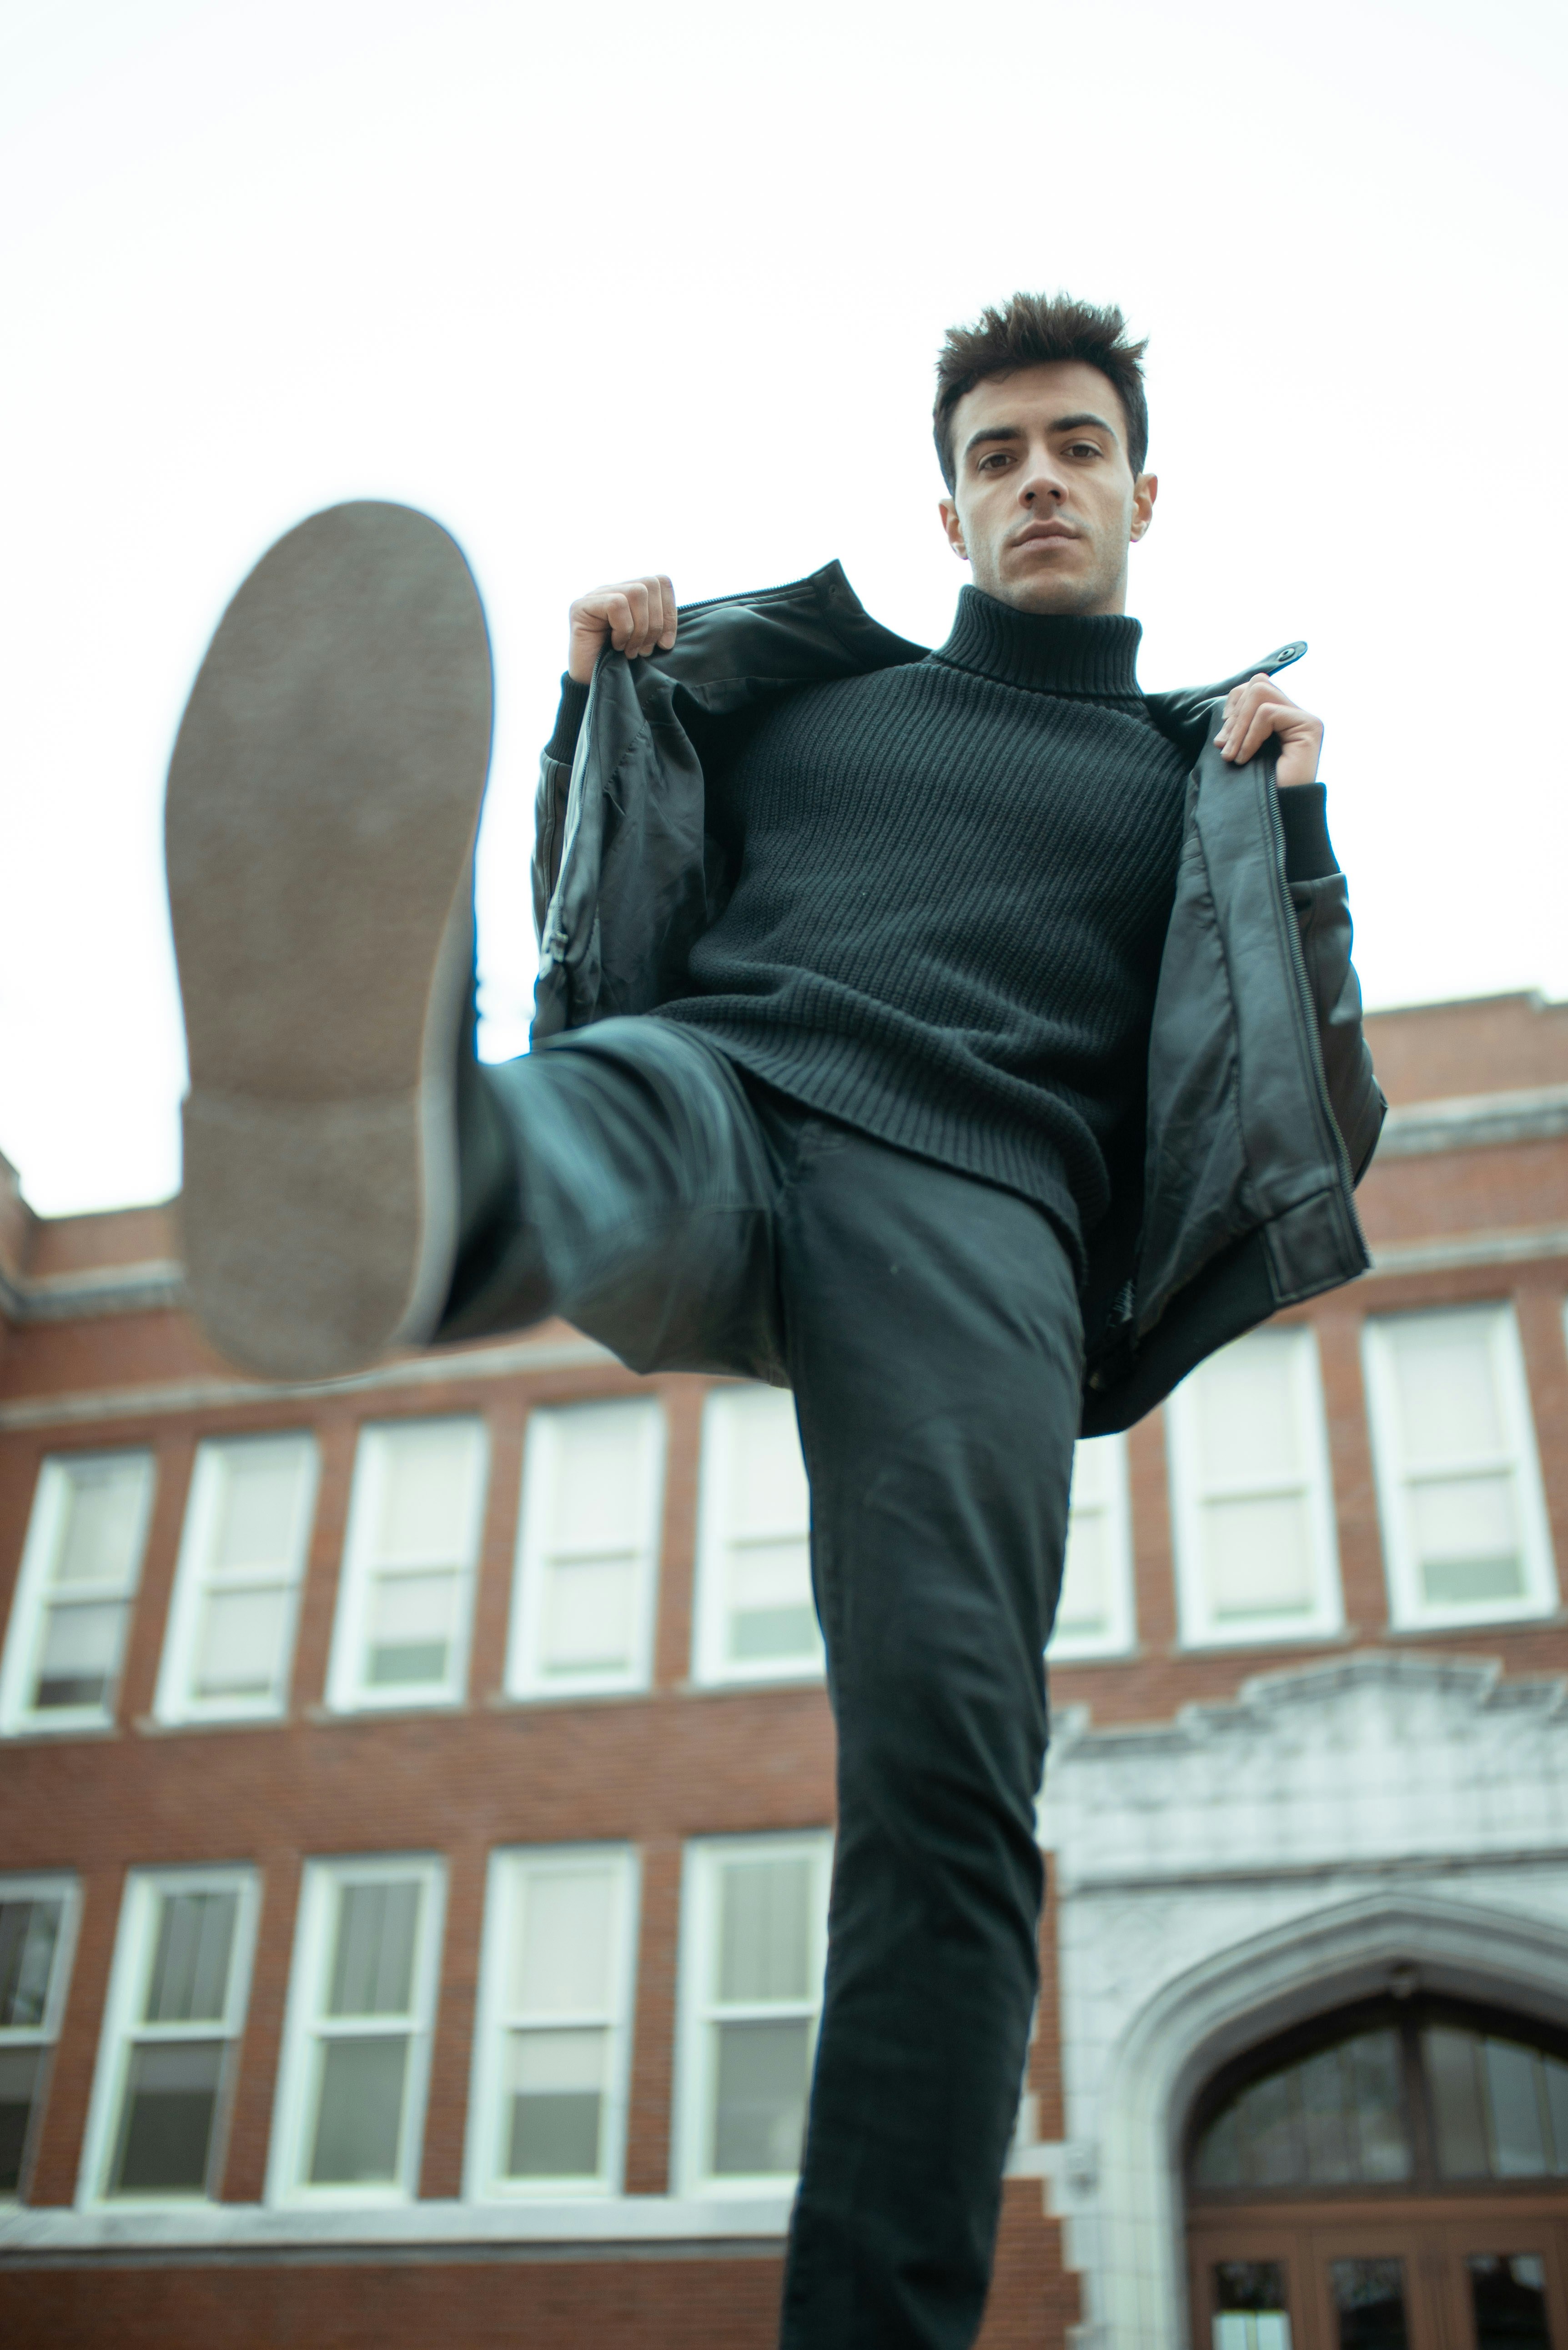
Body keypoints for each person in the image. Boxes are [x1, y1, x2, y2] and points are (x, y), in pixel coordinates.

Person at [164, 291, 1383, 2349]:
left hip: (982, 1215)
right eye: (996, 457)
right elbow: (622, 901)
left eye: (1074, 447)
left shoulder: (1201, 778)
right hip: (726, 1085)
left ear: (1141, 492)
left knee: (944, 1781)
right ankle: (403, 1183)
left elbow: (1306, 1099)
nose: (1038, 483)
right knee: (591, 1123)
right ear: (947, 507)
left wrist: (1297, 831)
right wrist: (605, 700)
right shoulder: (812, 702)